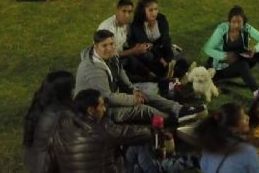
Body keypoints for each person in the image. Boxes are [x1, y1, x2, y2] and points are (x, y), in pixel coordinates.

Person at [74, 30, 204, 124]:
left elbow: (122, 77)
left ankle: (180, 110)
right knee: (141, 109)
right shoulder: (92, 69)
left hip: (112, 96)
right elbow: (108, 98)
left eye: (112, 44)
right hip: (101, 109)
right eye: (104, 45)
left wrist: (134, 91)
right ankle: (171, 120)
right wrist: (133, 99)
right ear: (95, 46)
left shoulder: (111, 56)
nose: (110, 48)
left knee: (146, 94)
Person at [52, 89, 153, 173]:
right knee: (137, 143)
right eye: (101, 105)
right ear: (91, 110)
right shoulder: (103, 128)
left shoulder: (59, 130)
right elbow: (145, 134)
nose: (104, 109)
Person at [203, 5, 259, 98]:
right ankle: (257, 93)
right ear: (229, 21)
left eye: (239, 22)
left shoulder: (246, 28)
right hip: (222, 67)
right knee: (242, 65)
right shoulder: (221, 30)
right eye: (233, 22)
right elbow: (207, 48)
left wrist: (255, 49)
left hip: (238, 58)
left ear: (243, 21)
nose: (236, 25)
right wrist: (224, 56)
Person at [126, 0, 189, 82]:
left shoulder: (161, 19)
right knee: (153, 60)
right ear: (143, 11)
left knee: (176, 57)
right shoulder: (137, 24)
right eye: (150, 10)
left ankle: (177, 72)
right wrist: (161, 59)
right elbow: (146, 44)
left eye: (156, 9)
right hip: (145, 50)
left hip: (159, 47)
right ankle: (175, 74)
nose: (154, 13)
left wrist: (169, 59)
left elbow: (166, 39)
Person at [23, 71, 74, 173]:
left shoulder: (42, 108)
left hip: (37, 164)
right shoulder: (62, 116)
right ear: (65, 92)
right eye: (73, 87)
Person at [194, 103, 259, 173]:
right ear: (233, 129)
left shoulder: (210, 143)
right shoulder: (247, 150)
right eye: (242, 118)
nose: (247, 117)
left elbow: (204, 167)